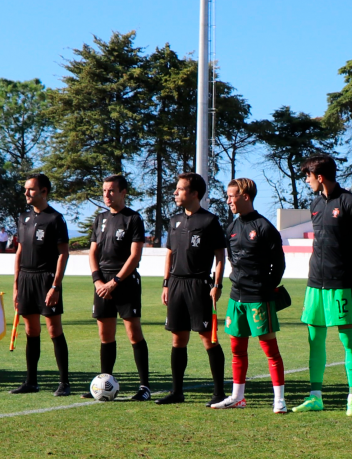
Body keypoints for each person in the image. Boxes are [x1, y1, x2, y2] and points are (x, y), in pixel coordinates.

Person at [294, 155, 352, 415]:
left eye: (308, 176)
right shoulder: (315, 203)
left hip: (342, 283)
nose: (307, 181)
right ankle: (315, 397)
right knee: (315, 339)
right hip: (315, 282)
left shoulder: (350, 203)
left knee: (348, 341)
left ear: (320, 177)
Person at [211, 178, 288, 413]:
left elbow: (279, 265)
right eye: (227, 196)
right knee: (237, 350)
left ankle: (279, 400)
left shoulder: (265, 227)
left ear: (245, 196)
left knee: (270, 350)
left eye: (231, 196)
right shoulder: (232, 228)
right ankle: (237, 397)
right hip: (236, 298)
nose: (228, 200)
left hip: (259, 298)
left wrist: (266, 289)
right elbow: (233, 262)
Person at [156, 172, 228, 406]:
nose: (175, 192)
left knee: (209, 339)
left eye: (180, 189)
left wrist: (217, 285)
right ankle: (177, 391)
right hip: (176, 284)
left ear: (194, 193)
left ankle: (219, 393)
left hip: (199, 285)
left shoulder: (209, 221)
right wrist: (166, 283)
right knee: (178, 340)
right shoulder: (174, 220)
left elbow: (220, 256)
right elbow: (169, 253)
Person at [85, 174, 151, 401]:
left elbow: (135, 256)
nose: (106, 194)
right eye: (104, 190)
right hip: (102, 284)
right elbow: (93, 252)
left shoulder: (133, 219)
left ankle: (144, 387)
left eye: (111, 190)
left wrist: (115, 283)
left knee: (133, 334)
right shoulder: (100, 218)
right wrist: (98, 282)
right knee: (105, 335)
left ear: (123, 192)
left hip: (125, 282)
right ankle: (104, 383)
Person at [9, 173, 71, 396]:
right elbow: (19, 251)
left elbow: (63, 254)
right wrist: (16, 284)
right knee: (31, 330)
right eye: (26, 189)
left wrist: (55, 285)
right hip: (26, 278)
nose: (26, 193)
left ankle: (64, 382)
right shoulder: (23, 217)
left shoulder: (55, 219)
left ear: (44, 192)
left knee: (54, 330)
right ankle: (31, 382)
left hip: (46, 279)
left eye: (31, 189)